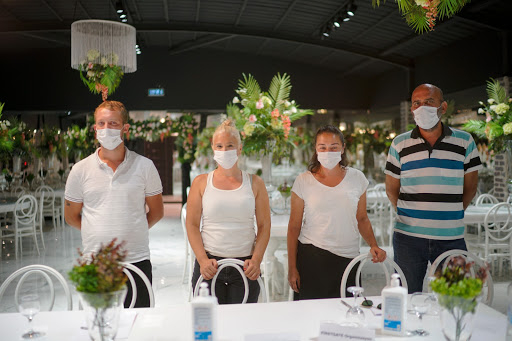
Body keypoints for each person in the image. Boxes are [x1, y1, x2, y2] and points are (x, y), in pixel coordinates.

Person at [65, 100, 164, 307]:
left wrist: (132, 228)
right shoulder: (80, 170)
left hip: (136, 260)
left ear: (125, 128)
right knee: (99, 327)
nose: (106, 129)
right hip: (96, 263)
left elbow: (156, 212)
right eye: (101, 124)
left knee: (139, 326)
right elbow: (71, 216)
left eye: (113, 124)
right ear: (95, 129)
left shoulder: (145, 166)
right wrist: (97, 230)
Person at [385, 83, 482, 293]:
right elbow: (392, 188)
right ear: (411, 109)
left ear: (443, 107)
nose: (422, 107)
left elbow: (471, 188)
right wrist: (410, 215)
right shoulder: (399, 144)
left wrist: (449, 213)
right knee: (407, 297)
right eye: (416, 103)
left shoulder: (465, 142)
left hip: (451, 238)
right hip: (408, 238)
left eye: (429, 101)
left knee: (453, 301)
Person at [287, 125, 387, 300]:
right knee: (311, 316)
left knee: (347, 315)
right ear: (316, 150)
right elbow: (294, 227)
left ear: (342, 148)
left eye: (334, 147)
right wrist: (292, 267)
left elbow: (362, 218)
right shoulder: (303, 181)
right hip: (312, 256)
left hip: (349, 257)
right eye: (322, 147)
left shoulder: (357, 178)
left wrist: (373, 244)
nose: (328, 151)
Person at [186, 120, 271, 304]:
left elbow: (264, 226)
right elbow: (192, 224)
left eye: (230, 146)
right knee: (210, 325)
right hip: (209, 265)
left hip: (245, 266)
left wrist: (256, 259)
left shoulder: (255, 183)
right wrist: (202, 260)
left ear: (240, 149)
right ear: (213, 149)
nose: (225, 151)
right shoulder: (201, 183)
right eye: (220, 146)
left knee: (242, 325)